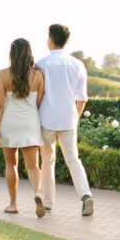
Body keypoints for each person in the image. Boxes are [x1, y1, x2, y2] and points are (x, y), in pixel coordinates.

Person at [37, 23, 94, 216]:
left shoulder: (41, 64)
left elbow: (36, 94)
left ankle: (48, 203)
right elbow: (83, 98)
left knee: (47, 161)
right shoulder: (78, 64)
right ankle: (86, 195)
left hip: (46, 120)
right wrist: (75, 119)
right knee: (73, 159)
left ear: (51, 40)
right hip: (69, 119)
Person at [0, 38, 46, 217]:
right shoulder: (38, 75)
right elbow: (39, 102)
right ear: (29, 53)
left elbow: (0, 104)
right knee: (33, 166)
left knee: (11, 164)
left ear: (12, 54)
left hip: (9, 123)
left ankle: (13, 204)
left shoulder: (2, 75)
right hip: (30, 122)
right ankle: (37, 193)